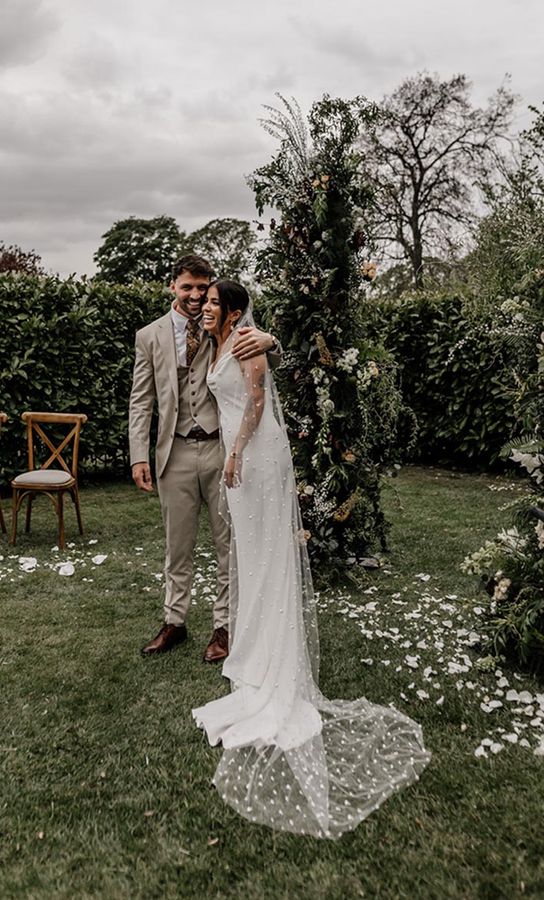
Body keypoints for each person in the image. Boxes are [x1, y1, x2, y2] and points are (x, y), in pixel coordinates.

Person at [192, 279, 430, 839]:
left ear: (230, 310)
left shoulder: (248, 339)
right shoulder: (220, 342)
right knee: (252, 564)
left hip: (253, 455)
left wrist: (233, 455)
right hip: (239, 456)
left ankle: (278, 676)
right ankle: (254, 662)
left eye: (210, 303)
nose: (203, 309)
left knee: (269, 563)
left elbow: (254, 401)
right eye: (200, 303)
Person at [128, 254, 280, 661]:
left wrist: (272, 339)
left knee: (226, 543)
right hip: (173, 451)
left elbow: (259, 368)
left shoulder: (224, 323)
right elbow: (141, 400)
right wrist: (137, 454)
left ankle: (224, 627)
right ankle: (174, 622)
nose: (197, 297)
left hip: (220, 447)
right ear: (172, 287)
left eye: (203, 287)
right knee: (177, 546)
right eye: (188, 287)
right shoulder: (150, 336)